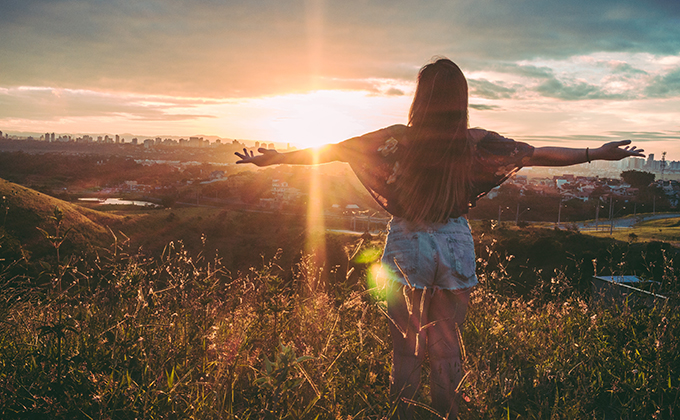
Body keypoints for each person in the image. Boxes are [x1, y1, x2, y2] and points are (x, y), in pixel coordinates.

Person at [235, 58, 645, 418]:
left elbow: (333, 150)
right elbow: (535, 152)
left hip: (407, 242)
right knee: (447, 342)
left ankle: (406, 415)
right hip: (454, 242)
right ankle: (447, 412)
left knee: (406, 346)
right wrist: (595, 152)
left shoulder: (397, 138)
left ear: (420, 98)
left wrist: (273, 159)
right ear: (460, 98)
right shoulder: (475, 141)